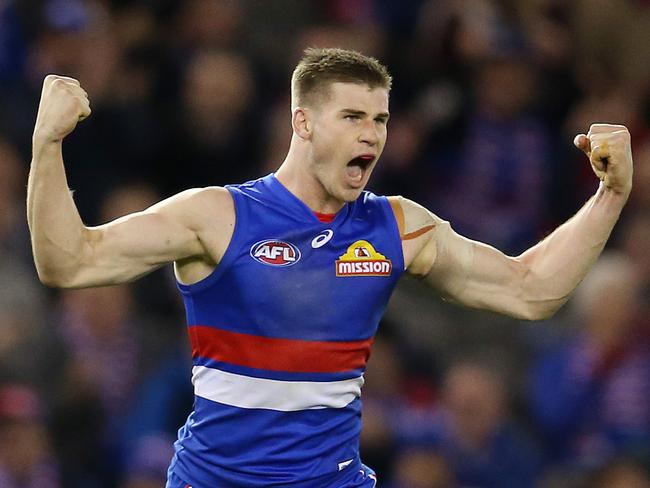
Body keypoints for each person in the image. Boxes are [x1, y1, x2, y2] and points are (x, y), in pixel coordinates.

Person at [27, 48, 633, 487]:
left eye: (381, 120)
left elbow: (531, 291)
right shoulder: (217, 216)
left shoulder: (396, 226)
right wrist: (48, 146)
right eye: (354, 118)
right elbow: (70, 263)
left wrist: (609, 195)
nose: (372, 135)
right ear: (303, 123)